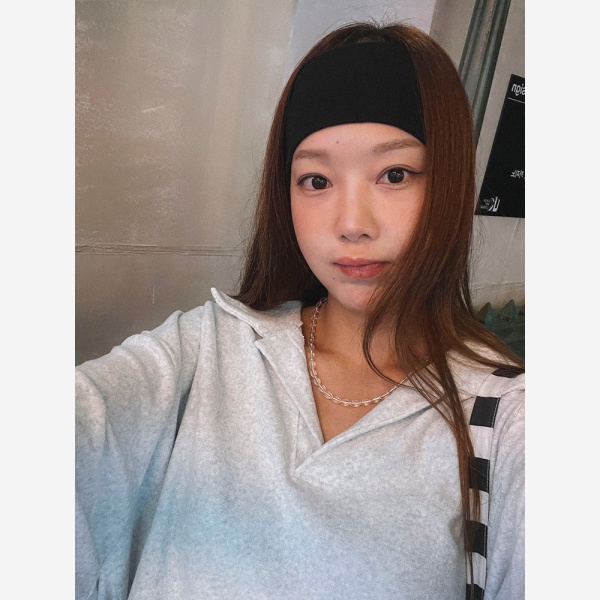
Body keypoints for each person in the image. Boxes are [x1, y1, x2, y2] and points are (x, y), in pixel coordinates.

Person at [76, 21, 524, 600]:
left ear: (450, 185)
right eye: (315, 180)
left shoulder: (503, 420)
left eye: (395, 175)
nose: (352, 224)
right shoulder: (210, 349)